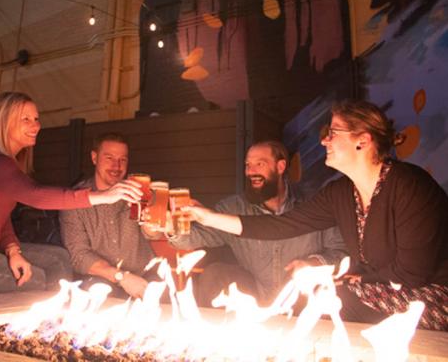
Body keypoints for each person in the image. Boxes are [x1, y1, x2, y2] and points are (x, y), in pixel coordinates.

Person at [187, 99, 448, 331]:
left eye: (332, 133)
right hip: (370, 292)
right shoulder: (340, 193)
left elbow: (412, 274)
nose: (324, 140)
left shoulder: (409, 185)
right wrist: (207, 217)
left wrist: (348, 278)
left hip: (430, 297)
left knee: (328, 299)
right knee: (323, 298)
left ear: (363, 141)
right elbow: (279, 225)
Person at [0, 92, 142, 294]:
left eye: (36, 119)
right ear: (3, 122)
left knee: (58, 258)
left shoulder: (7, 163)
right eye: (26, 119)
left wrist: (13, 250)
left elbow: (0, 216)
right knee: (39, 283)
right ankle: (47, 320)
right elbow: (36, 195)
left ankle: (58, 319)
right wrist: (102, 196)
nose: (36, 126)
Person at [157, 140, 347, 307]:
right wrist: (169, 227)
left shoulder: (315, 203)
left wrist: (312, 263)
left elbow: (340, 254)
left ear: (281, 167)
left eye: (259, 164)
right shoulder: (233, 208)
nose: (251, 171)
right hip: (251, 296)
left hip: (303, 297)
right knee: (215, 273)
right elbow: (195, 238)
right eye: (248, 165)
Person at [60, 133, 157, 299]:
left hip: (145, 274)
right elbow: (79, 255)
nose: (116, 166)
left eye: (123, 160)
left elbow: (155, 233)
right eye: (109, 158)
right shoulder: (75, 199)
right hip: (101, 279)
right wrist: (122, 277)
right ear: (94, 158)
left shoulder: (139, 192)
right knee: (98, 296)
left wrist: (151, 227)